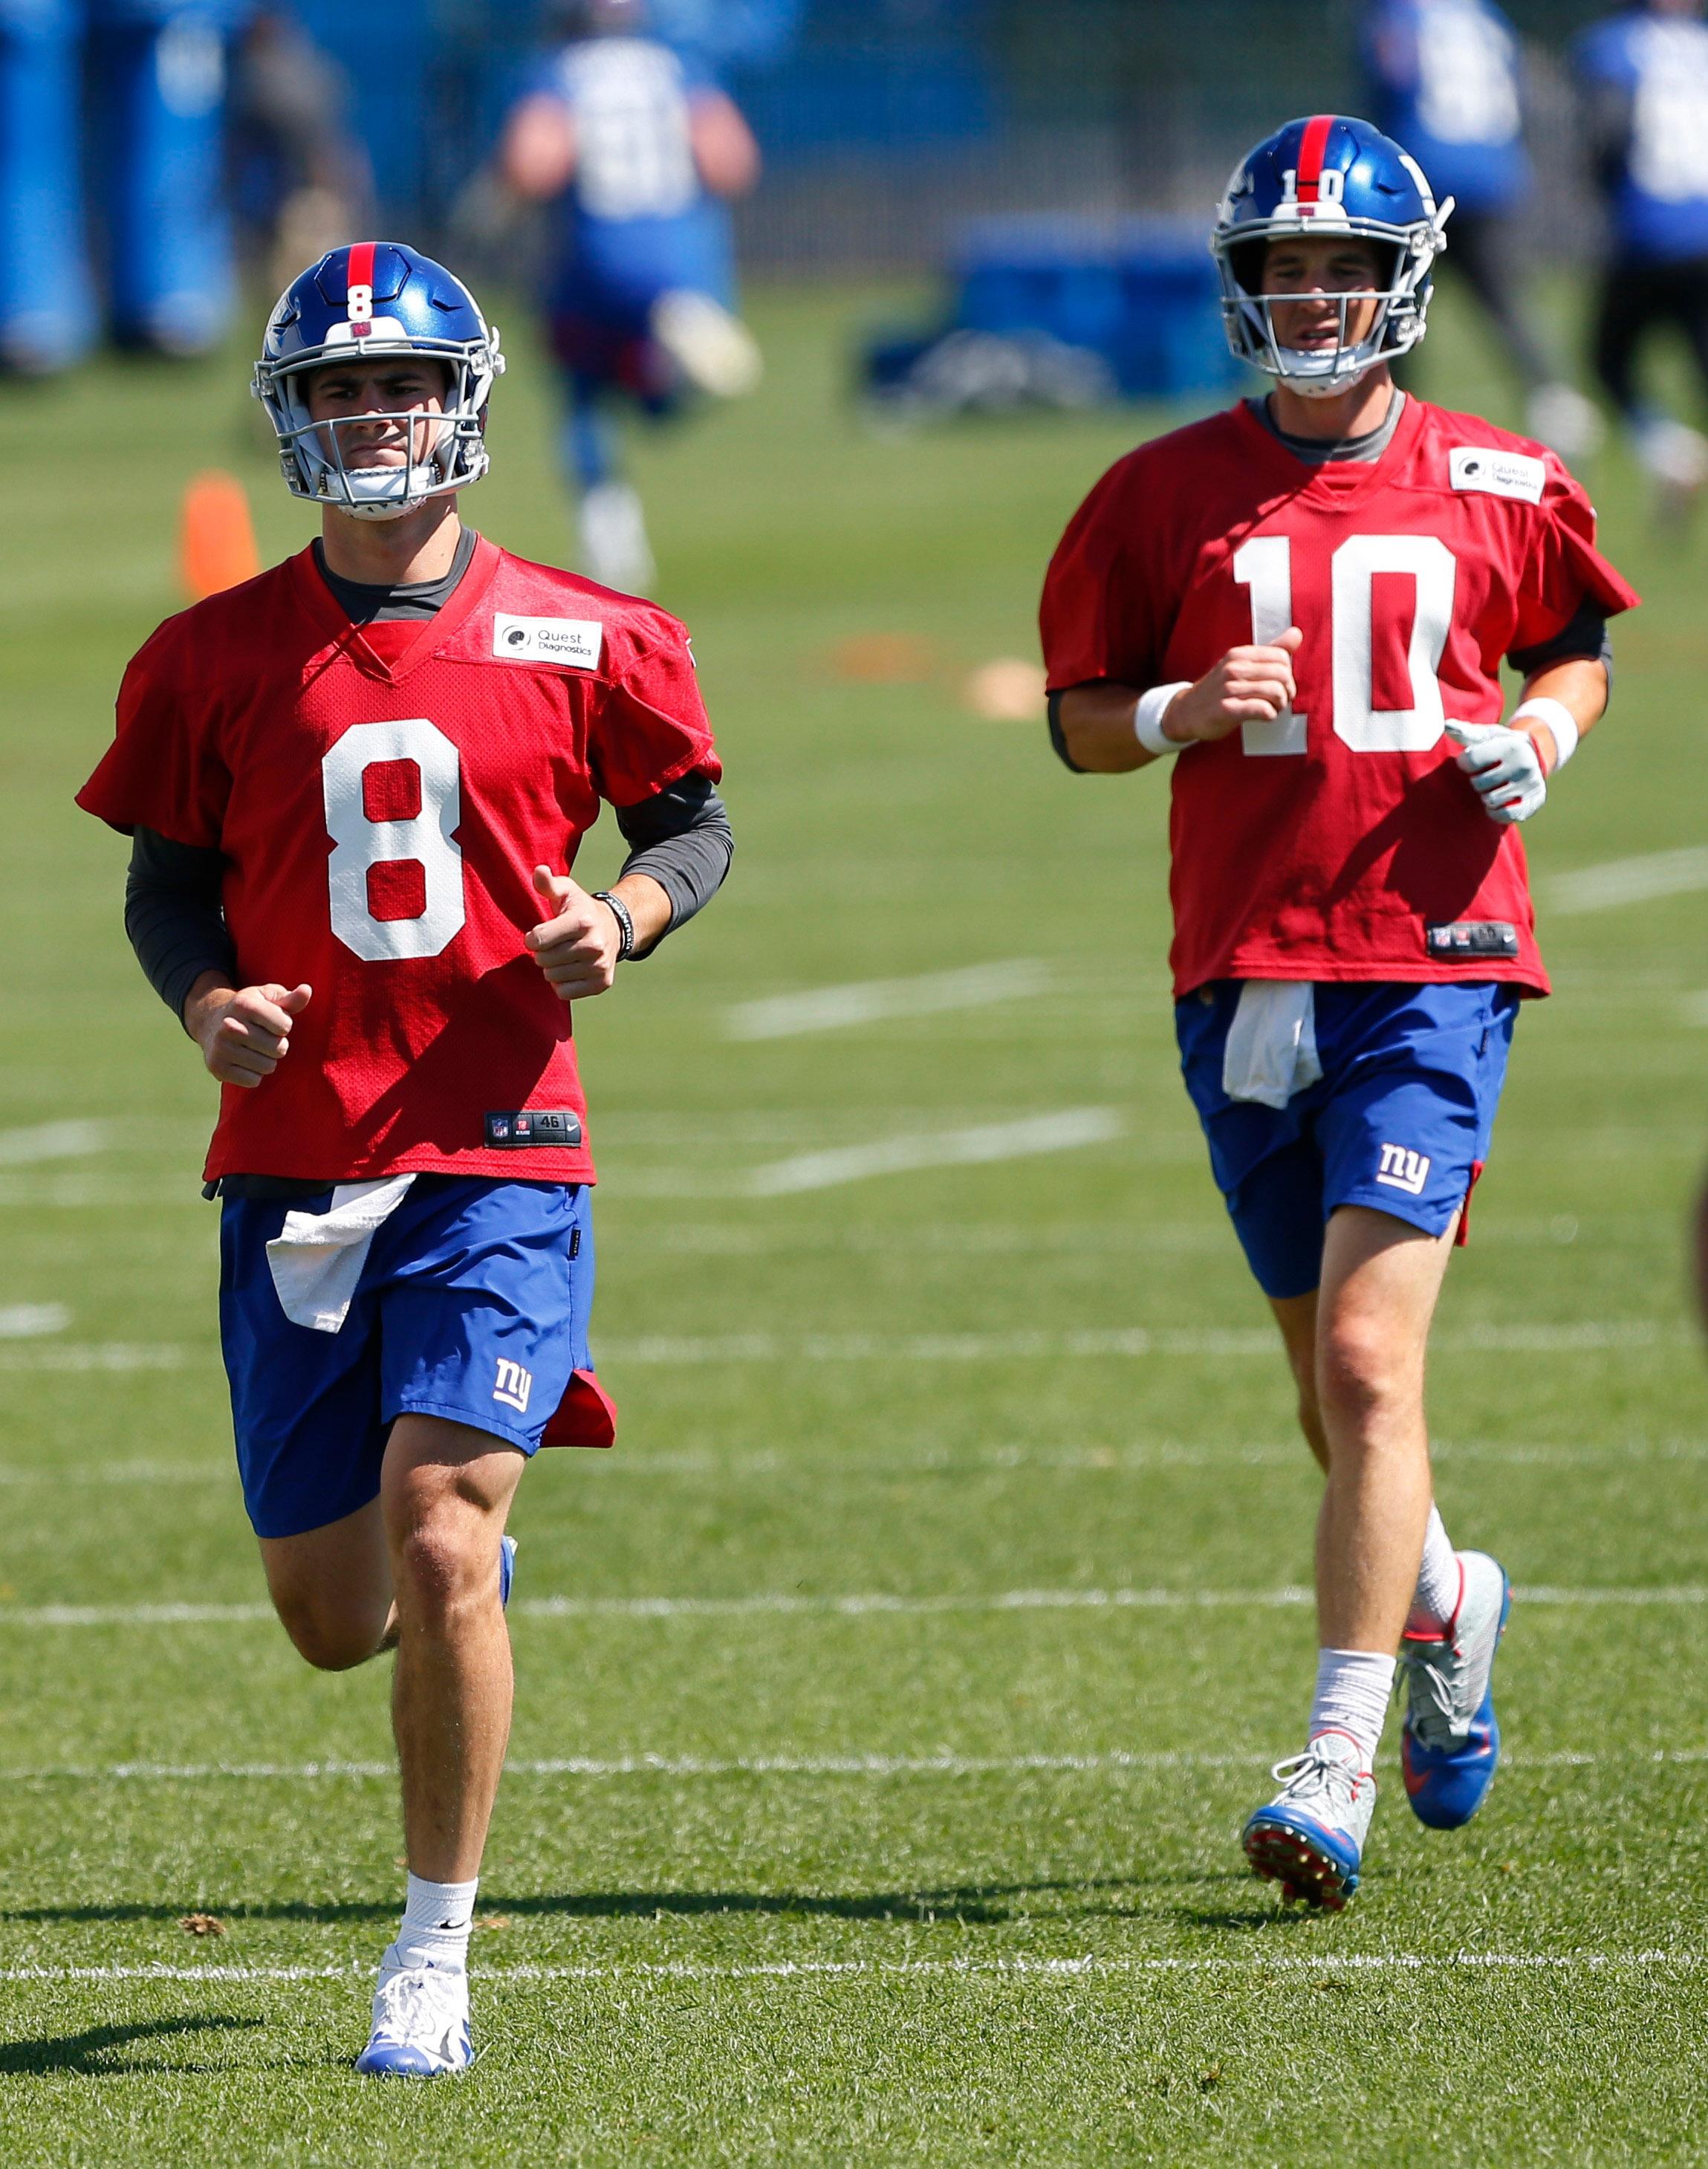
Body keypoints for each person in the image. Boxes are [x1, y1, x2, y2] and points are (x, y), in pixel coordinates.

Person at [76, 242, 733, 2072]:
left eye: (402, 385)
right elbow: (162, 880)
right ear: (295, 417)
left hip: (500, 1148)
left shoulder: (587, 630)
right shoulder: (209, 654)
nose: (376, 416)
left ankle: (429, 1955)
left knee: (444, 1534)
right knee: (328, 1613)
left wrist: (629, 917)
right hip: (292, 1161)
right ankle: (452, 1588)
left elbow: (692, 823)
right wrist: (205, 1006)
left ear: (467, 401)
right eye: (342, 390)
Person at [1040, 117, 1637, 1910]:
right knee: (1328, 1393)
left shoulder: (1504, 478)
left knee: (1376, 1366)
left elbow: (1577, 648)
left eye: (1339, 268)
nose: (1311, 297)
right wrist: (1174, 713)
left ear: (1402, 280)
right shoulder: (1154, 493)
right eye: (1282, 269)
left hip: (1437, 954)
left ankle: (1334, 1752)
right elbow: (1074, 716)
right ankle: (1447, 1596)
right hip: (1242, 963)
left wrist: (1540, 736)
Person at [497, 0, 762, 591]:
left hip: (594, 257)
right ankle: (669, 369)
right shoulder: (681, 66)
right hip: (682, 260)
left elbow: (530, 163)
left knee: (582, 392)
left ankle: (608, 530)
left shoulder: (554, 71)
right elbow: (732, 162)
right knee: (654, 395)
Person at [1360, 0, 1603, 458]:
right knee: (1505, 303)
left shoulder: (1396, 12)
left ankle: (1386, 424)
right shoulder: (1486, 15)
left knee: (1397, 310)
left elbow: (1391, 73)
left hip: (1423, 174)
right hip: (1494, 175)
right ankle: (1558, 404)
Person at [1573, 0, 1708, 519]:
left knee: (1608, 361)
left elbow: (1606, 136)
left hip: (1649, 231)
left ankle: (1669, 450)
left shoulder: (1613, 46)